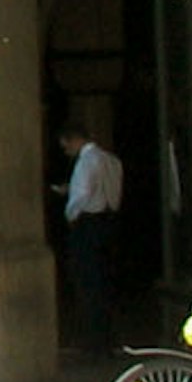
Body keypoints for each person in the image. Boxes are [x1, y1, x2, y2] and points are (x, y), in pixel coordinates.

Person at [59, 122, 124, 350]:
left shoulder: (86, 162)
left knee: (88, 283)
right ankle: (108, 337)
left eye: (67, 146)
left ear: (75, 140)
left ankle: (94, 340)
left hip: (88, 224)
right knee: (105, 281)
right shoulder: (111, 160)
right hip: (108, 219)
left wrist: (70, 213)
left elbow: (83, 193)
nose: (67, 151)